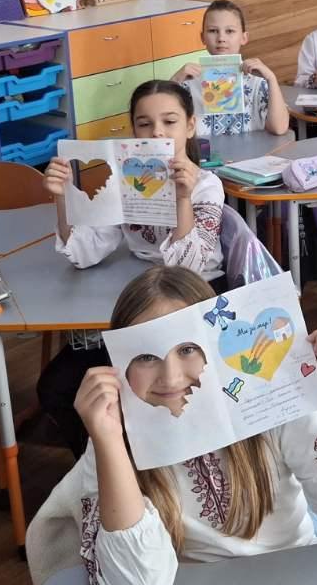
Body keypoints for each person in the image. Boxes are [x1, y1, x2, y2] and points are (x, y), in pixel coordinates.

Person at [25, 267, 317, 585]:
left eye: (187, 349)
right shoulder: (114, 439)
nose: (171, 377)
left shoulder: (265, 401)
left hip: (297, 582)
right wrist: (108, 442)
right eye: (146, 356)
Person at [36, 79, 224, 454]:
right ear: (132, 130)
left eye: (169, 122)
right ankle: (105, 467)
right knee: (57, 387)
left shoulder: (206, 186)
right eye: (144, 124)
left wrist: (182, 198)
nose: (157, 133)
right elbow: (86, 252)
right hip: (140, 298)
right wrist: (62, 199)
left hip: (193, 303)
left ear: (190, 126)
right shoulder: (127, 181)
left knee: (141, 390)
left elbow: (188, 268)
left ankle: (148, 462)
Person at [170, 0, 289, 137]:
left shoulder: (257, 82)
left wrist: (271, 79)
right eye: (213, 31)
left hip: (252, 150)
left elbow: (279, 128)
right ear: (203, 37)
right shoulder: (188, 83)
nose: (221, 38)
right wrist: (174, 81)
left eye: (230, 31)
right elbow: (166, 127)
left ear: (244, 37)